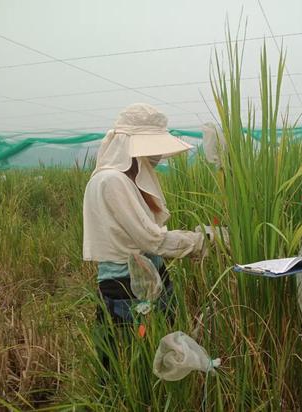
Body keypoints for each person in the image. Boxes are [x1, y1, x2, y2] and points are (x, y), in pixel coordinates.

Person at [83, 103, 218, 368]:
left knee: (156, 345)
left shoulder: (125, 179)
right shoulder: (112, 181)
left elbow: (149, 237)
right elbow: (152, 240)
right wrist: (201, 240)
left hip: (148, 275)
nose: (156, 156)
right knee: (129, 357)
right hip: (126, 284)